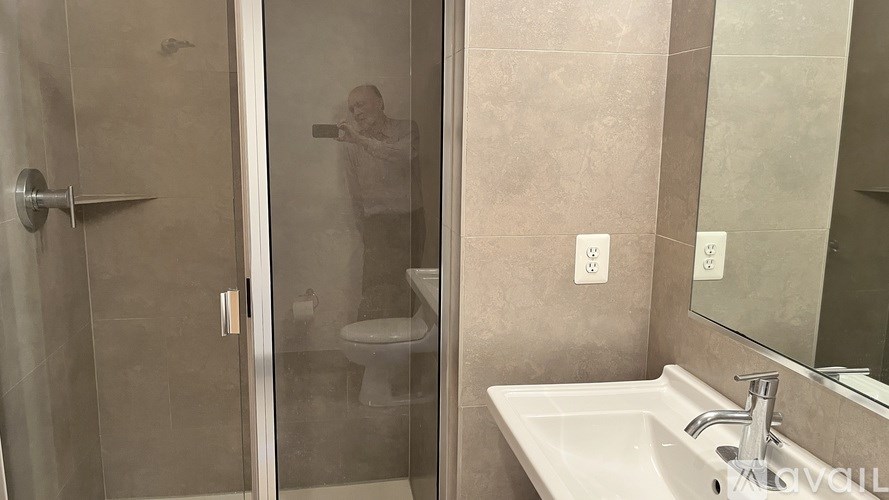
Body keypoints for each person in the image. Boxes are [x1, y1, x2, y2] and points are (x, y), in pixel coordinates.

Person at [336, 85, 425, 321]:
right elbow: (354, 192)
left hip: (409, 221)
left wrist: (361, 141)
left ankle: (402, 353)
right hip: (375, 224)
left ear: (380, 102)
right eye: (352, 108)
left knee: (406, 290)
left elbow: (404, 155)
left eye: (360, 104)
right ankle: (370, 357)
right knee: (373, 291)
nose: (356, 112)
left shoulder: (406, 128)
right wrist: (365, 228)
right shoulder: (351, 145)